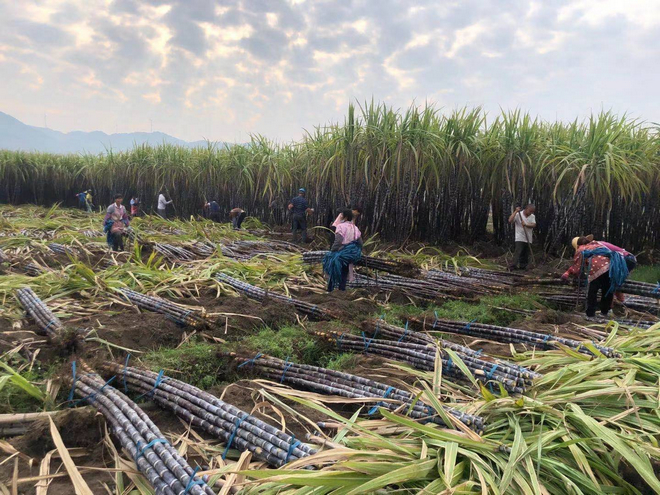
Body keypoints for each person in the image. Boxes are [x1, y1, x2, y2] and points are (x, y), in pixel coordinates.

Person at [561, 236, 636, 318]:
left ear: (578, 245)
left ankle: (590, 314)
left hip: (598, 269)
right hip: (611, 267)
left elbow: (577, 266)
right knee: (607, 289)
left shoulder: (581, 248)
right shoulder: (596, 244)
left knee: (593, 291)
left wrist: (568, 272)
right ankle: (605, 312)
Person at [323, 209, 363, 291]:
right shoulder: (355, 228)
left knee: (333, 269)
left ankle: (330, 289)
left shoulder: (340, 226)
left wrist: (333, 250)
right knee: (345, 271)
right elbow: (360, 242)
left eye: (342, 215)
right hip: (350, 254)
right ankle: (342, 290)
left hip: (340, 253)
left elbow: (338, 241)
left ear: (345, 217)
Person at [508, 204, 536, 270]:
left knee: (525, 253)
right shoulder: (518, 214)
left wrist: (526, 224)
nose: (531, 213)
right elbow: (510, 220)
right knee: (518, 251)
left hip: (528, 238)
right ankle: (513, 266)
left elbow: (534, 225)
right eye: (530, 211)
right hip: (519, 237)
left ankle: (523, 266)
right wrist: (515, 211)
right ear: (526, 209)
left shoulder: (532, 216)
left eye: (532, 212)